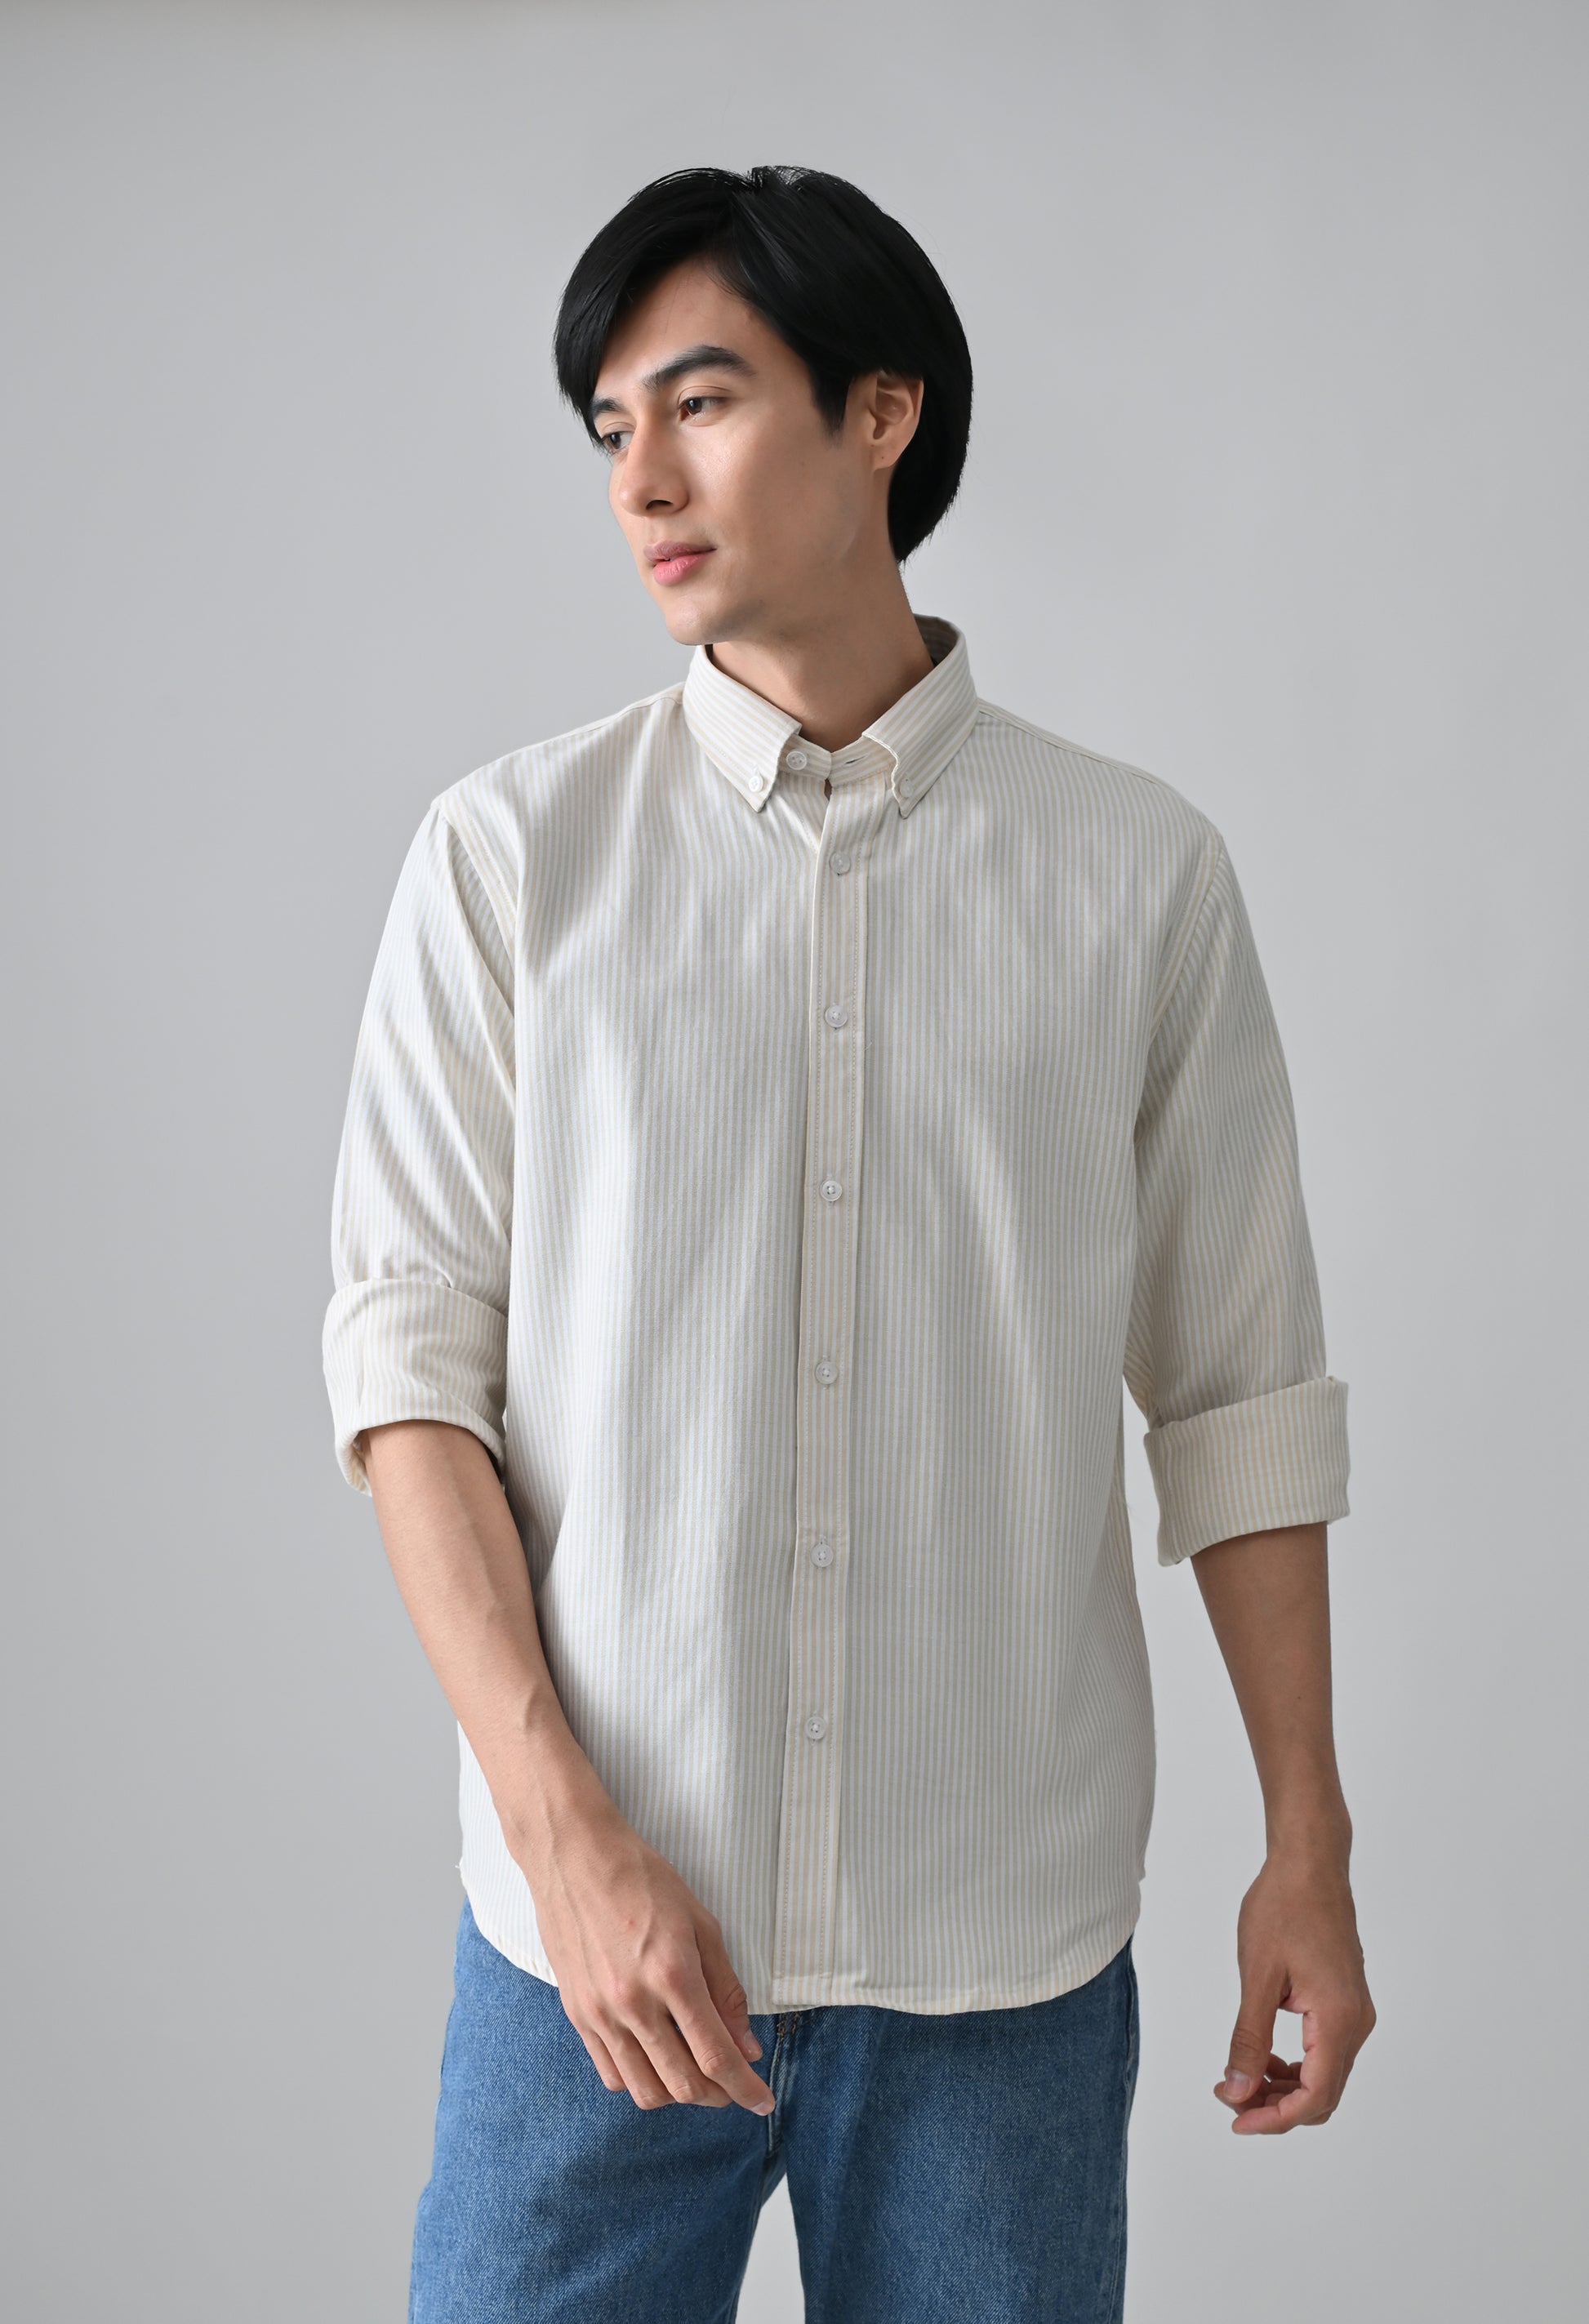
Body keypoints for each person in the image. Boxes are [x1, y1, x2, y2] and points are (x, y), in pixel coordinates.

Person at [322, 163, 1374, 2324]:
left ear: (879, 413)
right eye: (611, 427)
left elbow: (1239, 1395)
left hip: (1000, 1952)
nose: (643, 479)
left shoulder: (1136, 879)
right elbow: (408, 1380)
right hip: (591, 1948)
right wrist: (564, 1841)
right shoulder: (507, 863)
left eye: (701, 402)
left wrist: (1307, 1840)